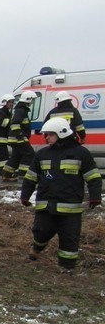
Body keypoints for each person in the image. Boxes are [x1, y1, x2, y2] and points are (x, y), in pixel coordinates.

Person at [20, 117, 101, 273]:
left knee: (69, 239)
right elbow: (31, 177)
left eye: (49, 134)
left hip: (71, 209)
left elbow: (93, 177)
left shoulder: (81, 153)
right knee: (41, 230)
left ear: (61, 133)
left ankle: (66, 268)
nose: (46, 137)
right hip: (46, 205)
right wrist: (25, 195)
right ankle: (37, 248)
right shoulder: (42, 154)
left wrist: (95, 196)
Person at [2, 90, 37, 181]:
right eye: (32, 100)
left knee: (16, 157)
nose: (33, 102)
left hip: (16, 139)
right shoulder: (21, 111)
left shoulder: (20, 110)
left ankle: (7, 175)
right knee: (30, 154)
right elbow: (14, 124)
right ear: (28, 100)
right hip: (18, 139)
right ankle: (23, 173)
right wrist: (21, 137)